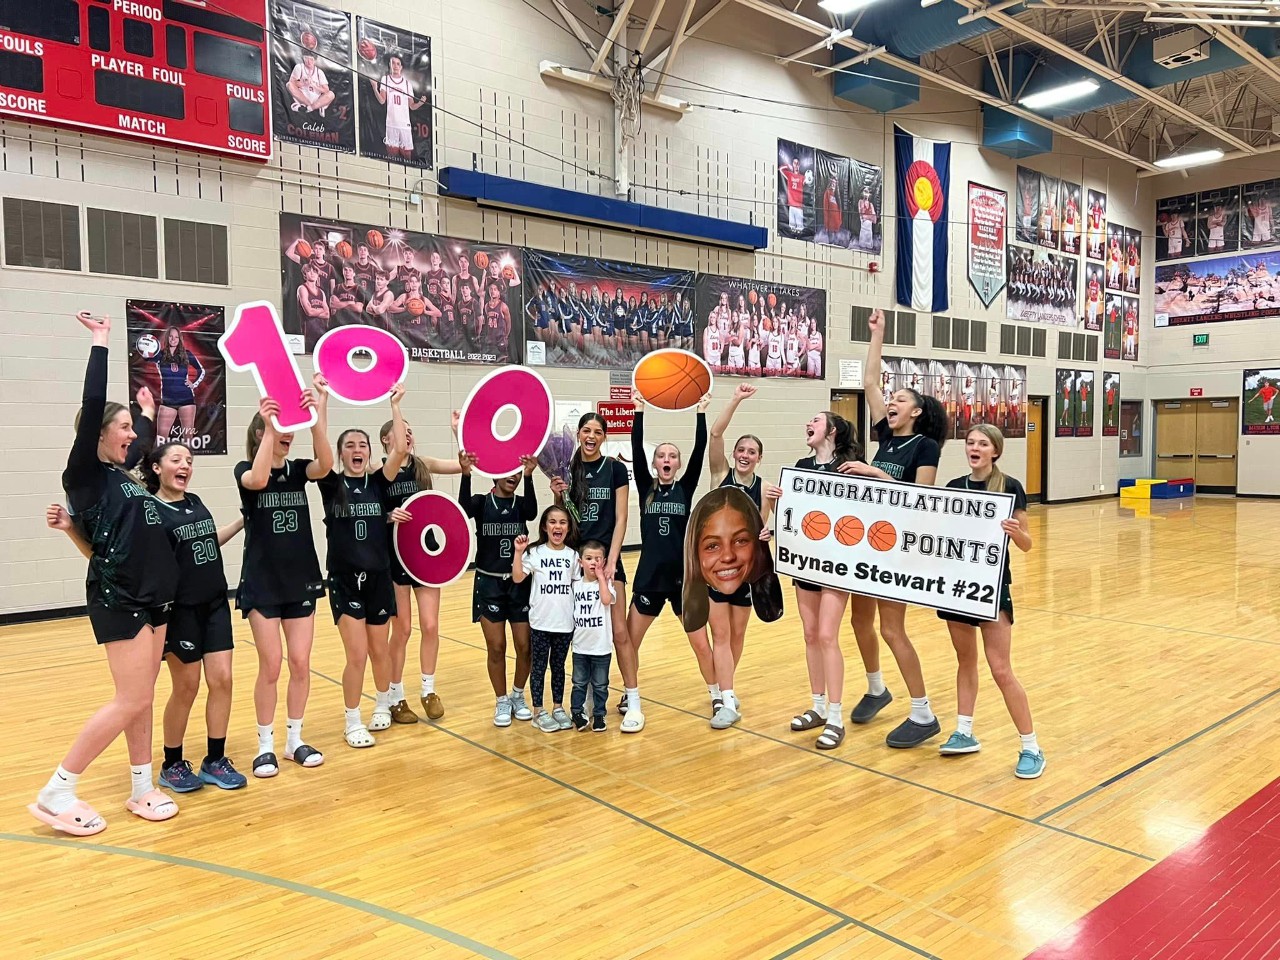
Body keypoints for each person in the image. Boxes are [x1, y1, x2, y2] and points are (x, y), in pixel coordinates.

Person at [29, 311, 176, 836]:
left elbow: (142, 447)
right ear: (98, 433)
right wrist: (102, 342)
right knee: (131, 698)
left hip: (155, 598)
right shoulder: (86, 474)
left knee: (142, 697)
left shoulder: (121, 475)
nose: (130, 434)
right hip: (122, 599)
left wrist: (148, 408)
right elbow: (95, 406)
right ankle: (57, 788)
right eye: (121, 427)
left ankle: (142, 786)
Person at [49, 442, 249, 793]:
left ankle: (215, 759)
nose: (185, 465)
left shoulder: (196, 502)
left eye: (189, 460)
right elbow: (107, 554)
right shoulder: (149, 510)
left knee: (223, 680)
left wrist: (243, 521)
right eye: (176, 459)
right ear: (157, 468)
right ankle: (172, 763)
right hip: (177, 608)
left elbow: (205, 542)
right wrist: (70, 529)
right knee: (186, 687)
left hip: (214, 602)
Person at [837, 307, 946, 750]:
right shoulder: (887, 437)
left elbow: (921, 498)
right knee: (859, 620)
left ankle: (924, 713)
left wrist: (873, 473)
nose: (892, 403)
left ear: (916, 412)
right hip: (869, 542)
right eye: (893, 400)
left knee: (891, 628)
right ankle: (878, 688)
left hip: (899, 548)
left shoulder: (926, 446)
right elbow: (869, 384)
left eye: (901, 400)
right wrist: (877, 334)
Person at [236, 377, 333, 778]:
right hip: (262, 581)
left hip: (300, 578)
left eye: (289, 431)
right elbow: (258, 481)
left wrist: (314, 419)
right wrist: (271, 425)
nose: (286, 435)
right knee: (271, 665)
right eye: (280, 430)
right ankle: (264, 744)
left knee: (300, 662)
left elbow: (325, 465)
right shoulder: (246, 470)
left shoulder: (297, 471)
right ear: (262, 432)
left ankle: (294, 739)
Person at [938, 425, 1044, 778]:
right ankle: (964, 732)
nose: (975, 447)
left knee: (1000, 668)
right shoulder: (954, 488)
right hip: (956, 586)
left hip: (993, 586)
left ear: (995, 451)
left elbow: (1028, 544)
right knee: (964, 660)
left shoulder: (1010, 487)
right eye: (970, 442)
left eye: (983, 443)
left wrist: (1018, 533)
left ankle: (1031, 747)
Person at [319, 387, 412, 748]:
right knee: (355, 653)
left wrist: (394, 404)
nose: (357, 450)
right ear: (341, 454)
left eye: (362, 445)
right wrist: (323, 402)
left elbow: (401, 449)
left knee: (380, 649)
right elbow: (320, 449)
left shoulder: (377, 483)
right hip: (344, 580)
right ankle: (352, 719)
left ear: (370, 452)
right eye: (350, 446)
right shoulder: (331, 484)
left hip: (378, 577)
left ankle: (383, 702)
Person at [766, 409, 860, 750]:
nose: (809, 424)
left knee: (826, 635)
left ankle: (836, 716)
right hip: (806, 562)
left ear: (831, 431)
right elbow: (798, 520)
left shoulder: (848, 469)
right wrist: (777, 511)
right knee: (809, 634)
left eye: (816, 421)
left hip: (836, 563)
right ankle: (818, 706)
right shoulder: (801, 469)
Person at [551, 413, 637, 729]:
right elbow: (560, 517)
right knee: (577, 631)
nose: (591, 436)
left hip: (607, 559)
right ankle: (584, 702)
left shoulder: (614, 469)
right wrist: (557, 493)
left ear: (603, 437)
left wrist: (613, 559)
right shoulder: (568, 468)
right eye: (586, 430)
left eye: (597, 432)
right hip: (575, 563)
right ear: (578, 434)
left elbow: (621, 518)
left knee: (618, 632)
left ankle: (634, 699)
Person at [629, 391, 711, 715]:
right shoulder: (645, 487)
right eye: (661, 455)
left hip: (681, 580)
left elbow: (700, 451)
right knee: (628, 643)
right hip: (649, 578)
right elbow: (636, 448)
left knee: (701, 644)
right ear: (654, 463)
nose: (666, 459)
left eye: (672, 455)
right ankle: (630, 694)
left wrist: (700, 414)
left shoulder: (685, 487)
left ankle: (719, 694)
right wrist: (638, 411)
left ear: (677, 464)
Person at [379, 409, 461, 722]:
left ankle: (428, 689)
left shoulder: (423, 465)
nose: (408, 435)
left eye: (410, 430)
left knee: (430, 626)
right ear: (387, 440)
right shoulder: (380, 470)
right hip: (395, 558)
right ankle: (395, 696)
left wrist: (457, 432)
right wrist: (388, 516)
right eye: (402, 430)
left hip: (425, 556)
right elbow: (371, 509)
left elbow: (463, 465)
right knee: (402, 630)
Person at [460, 450, 539, 727]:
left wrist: (529, 475)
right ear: (494, 474)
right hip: (488, 581)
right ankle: (502, 699)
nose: (513, 477)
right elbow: (462, 507)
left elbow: (532, 511)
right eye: (508, 472)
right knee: (496, 646)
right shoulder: (482, 503)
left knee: (524, 646)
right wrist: (466, 472)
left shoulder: (521, 504)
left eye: (517, 473)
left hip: (519, 583)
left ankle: (518, 695)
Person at [513, 506, 579, 733]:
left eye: (562, 522)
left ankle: (558, 707)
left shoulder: (573, 556)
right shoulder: (536, 553)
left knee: (559, 667)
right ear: (544, 526)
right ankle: (538, 711)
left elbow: (578, 587)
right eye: (552, 522)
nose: (557, 526)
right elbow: (518, 576)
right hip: (541, 623)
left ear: (568, 528)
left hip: (564, 623)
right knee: (539, 667)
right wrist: (519, 552)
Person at [570, 540, 616, 732]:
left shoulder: (606, 585)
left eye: (598, 559)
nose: (593, 563)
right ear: (580, 562)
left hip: (601, 647)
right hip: (580, 646)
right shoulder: (575, 585)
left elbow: (606, 600)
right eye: (589, 559)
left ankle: (599, 715)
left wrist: (602, 579)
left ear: (604, 562)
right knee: (579, 683)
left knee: (600, 685)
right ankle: (577, 713)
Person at [150, 326, 204, 446]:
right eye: (171, 336)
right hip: (168, 400)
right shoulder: (160, 355)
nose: (173, 339)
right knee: (160, 440)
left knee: (188, 440)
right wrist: (144, 346)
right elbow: (146, 357)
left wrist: (193, 384)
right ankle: (156, 464)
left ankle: (187, 464)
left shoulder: (186, 354)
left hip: (187, 400)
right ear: (167, 338)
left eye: (176, 337)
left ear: (180, 339)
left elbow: (201, 370)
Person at [369, 55, 425, 161]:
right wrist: (375, 88)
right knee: (392, 155)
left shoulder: (407, 84)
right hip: (391, 123)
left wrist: (420, 103)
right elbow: (382, 100)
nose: (395, 66)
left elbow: (412, 106)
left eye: (398, 64)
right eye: (393, 63)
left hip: (404, 124)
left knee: (407, 155)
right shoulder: (385, 79)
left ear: (401, 67)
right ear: (389, 65)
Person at [780, 157, 806, 235]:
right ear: (792, 164)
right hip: (791, 205)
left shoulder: (802, 177)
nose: (796, 165)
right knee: (792, 228)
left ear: (799, 165)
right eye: (794, 163)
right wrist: (787, 166)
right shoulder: (789, 175)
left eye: (797, 163)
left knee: (800, 229)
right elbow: (780, 169)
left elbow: (808, 181)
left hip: (799, 207)